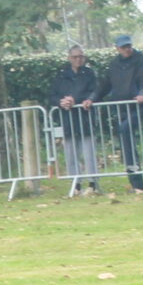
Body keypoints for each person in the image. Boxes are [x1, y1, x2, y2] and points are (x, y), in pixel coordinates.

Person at [100, 33, 143, 193]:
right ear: (117, 48)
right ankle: (136, 181)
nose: (127, 49)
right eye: (124, 47)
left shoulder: (140, 59)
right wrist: (91, 98)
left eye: (128, 46)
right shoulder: (114, 64)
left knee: (125, 131)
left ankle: (138, 183)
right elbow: (105, 85)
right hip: (121, 108)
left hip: (137, 106)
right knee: (126, 142)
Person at [50, 44, 103, 193]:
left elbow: (95, 92)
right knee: (71, 154)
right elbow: (52, 95)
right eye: (75, 57)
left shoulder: (89, 73)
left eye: (81, 56)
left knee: (89, 153)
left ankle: (93, 184)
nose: (78, 60)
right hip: (68, 119)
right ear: (69, 58)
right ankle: (76, 185)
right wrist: (61, 102)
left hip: (86, 117)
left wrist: (79, 100)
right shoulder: (61, 75)